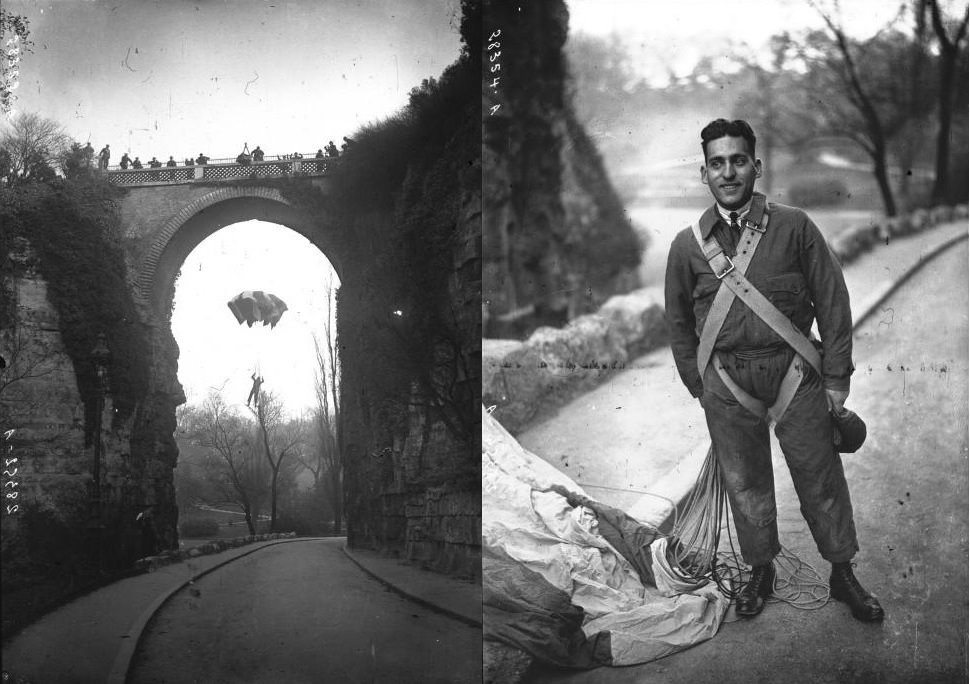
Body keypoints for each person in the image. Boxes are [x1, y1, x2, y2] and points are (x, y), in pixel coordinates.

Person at [664, 118, 884, 623]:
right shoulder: (685, 247)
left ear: (755, 167)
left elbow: (832, 300)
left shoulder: (795, 226)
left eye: (738, 160)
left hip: (794, 376)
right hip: (727, 382)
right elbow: (678, 323)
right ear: (704, 173)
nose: (729, 171)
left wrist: (835, 379)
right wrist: (700, 386)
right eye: (717, 163)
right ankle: (760, 571)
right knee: (745, 485)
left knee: (821, 477)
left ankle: (843, 572)